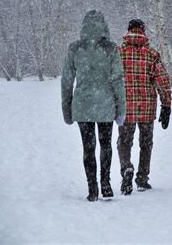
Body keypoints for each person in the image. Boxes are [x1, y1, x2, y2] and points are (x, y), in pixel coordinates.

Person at [61, 10, 126, 202]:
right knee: (106, 145)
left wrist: (67, 108)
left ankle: (92, 189)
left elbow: (66, 81)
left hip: (83, 106)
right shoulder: (111, 48)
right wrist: (121, 108)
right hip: (105, 105)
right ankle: (105, 184)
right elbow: (117, 80)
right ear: (104, 25)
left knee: (88, 148)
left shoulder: (74, 48)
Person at [118, 19, 172, 195]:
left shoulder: (119, 53)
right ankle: (142, 178)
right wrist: (166, 105)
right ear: (143, 31)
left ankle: (126, 168)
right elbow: (162, 80)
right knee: (146, 143)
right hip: (147, 108)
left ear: (128, 31)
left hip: (125, 108)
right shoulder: (151, 54)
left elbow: (110, 80)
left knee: (124, 142)